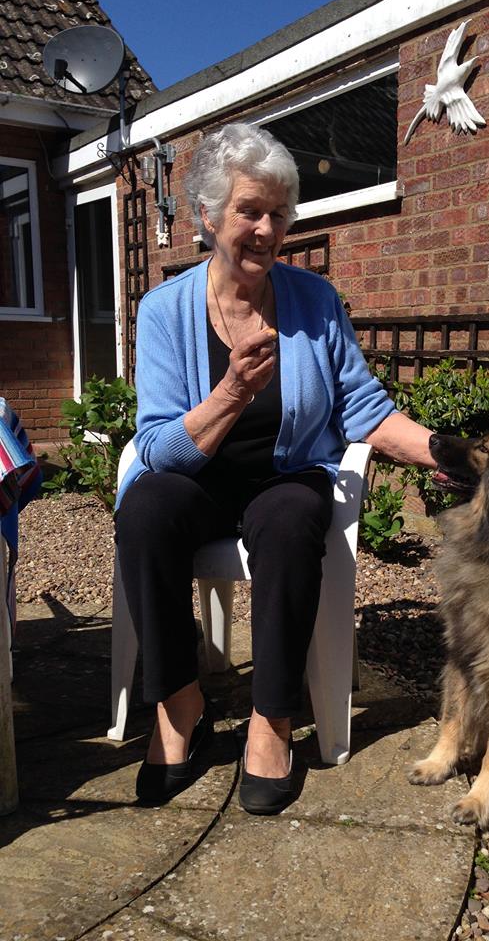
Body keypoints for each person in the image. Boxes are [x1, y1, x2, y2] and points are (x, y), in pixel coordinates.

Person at [114, 121, 436, 814]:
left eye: (277, 213)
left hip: (286, 474)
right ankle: (179, 706)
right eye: (248, 210)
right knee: (145, 508)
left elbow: (363, 407)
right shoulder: (165, 311)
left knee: (292, 518)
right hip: (198, 482)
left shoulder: (314, 302)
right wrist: (231, 392)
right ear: (206, 216)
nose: (265, 228)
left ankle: (273, 718)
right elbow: (158, 448)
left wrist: (442, 452)